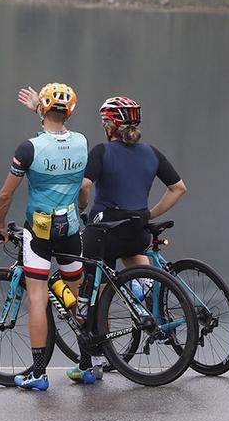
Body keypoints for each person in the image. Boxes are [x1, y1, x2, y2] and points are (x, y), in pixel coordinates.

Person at [16, 91, 187, 380]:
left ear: (109, 127)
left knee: (90, 292)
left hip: (104, 231)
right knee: (132, 255)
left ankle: (93, 360)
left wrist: (79, 207)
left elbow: (84, 187)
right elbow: (178, 188)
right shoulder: (152, 153)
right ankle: (143, 286)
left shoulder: (102, 151)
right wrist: (150, 215)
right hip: (138, 231)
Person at [0, 83, 89, 391]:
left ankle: (38, 373)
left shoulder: (28, 149)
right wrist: (81, 207)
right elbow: (84, 189)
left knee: (37, 296)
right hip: (71, 230)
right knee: (76, 300)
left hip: (40, 233)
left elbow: (6, 193)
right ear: (70, 111)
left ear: (44, 109)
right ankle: (88, 365)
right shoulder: (82, 142)